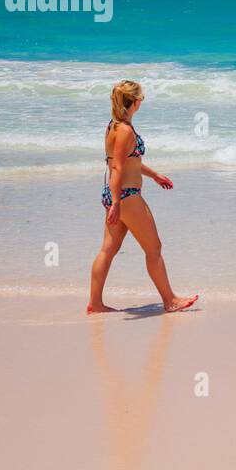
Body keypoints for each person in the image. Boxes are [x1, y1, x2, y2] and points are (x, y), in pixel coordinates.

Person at [87, 80, 198, 315]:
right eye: (141, 99)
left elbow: (129, 162)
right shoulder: (126, 130)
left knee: (108, 249)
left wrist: (155, 175)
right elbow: (117, 168)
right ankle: (170, 300)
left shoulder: (113, 126)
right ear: (135, 102)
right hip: (126, 197)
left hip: (115, 194)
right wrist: (117, 202)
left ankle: (95, 304)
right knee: (154, 248)